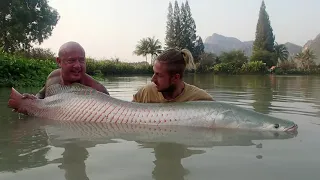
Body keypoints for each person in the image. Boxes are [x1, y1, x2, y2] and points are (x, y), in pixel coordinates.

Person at [23, 41, 109, 100]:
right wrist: (33, 100)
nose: (77, 66)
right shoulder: (53, 78)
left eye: (81, 60)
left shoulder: (98, 90)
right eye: (71, 60)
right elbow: (41, 95)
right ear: (59, 61)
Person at [133, 48, 213, 103]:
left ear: (175, 77)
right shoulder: (145, 93)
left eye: (159, 75)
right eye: (154, 73)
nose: (153, 79)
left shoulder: (201, 99)